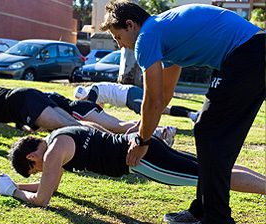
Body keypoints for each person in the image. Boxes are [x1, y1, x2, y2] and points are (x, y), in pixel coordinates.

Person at [100, 1, 265, 223]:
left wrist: (142, 140)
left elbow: (154, 101)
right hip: (251, 52)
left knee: (209, 132)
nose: (120, 46)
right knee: (212, 135)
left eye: (118, 37)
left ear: (130, 25)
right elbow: (165, 94)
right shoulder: (161, 32)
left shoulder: (147, 37)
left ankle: (216, 218)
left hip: (246, 53)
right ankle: (203, 210)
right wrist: (142, 124)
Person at [0, 126, 265, 209]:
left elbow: (42, 199)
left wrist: (11, 193)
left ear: (31, 157)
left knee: (212, 177)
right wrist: (17, 185)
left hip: (140, 161)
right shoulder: (60, 135)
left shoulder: (52, 155)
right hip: (145, 146)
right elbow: (50, 185)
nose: (40, 172)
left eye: (35, 169)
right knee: (214, 168)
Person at [45, 91, 176, 146]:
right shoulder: (47, 95)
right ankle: (162, 130)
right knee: (120, 124)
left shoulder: (40, 100)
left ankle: (159, 132)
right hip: (85, 106)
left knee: (118, 127)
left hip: (78, 111)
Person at [74, 82, 199, 121]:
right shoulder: (93, 91)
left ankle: (159, 132)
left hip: (130, 95)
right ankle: (193, 114)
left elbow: (89, 109)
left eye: (83, 100)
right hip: (129, 95)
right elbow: (99, 112)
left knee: (151, 114)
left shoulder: (93, 91)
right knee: (162, 109)